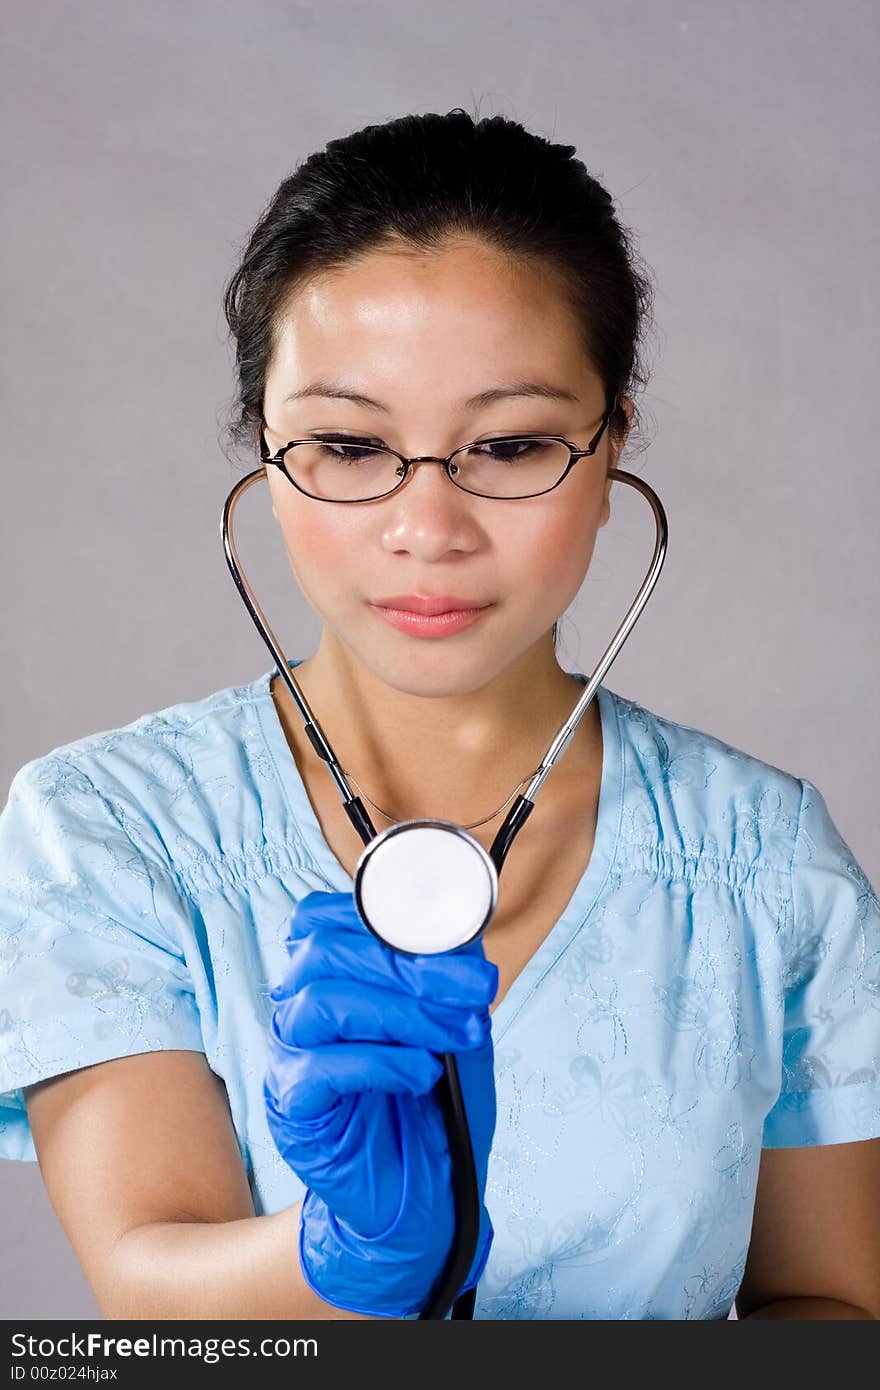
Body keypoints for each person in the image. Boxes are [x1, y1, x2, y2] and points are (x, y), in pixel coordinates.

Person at [1, 108, 878, 1322]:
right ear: (264, 448)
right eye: (349, 445)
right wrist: (351, 1253)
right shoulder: (106, 831)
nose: (428, 528)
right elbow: (151, 1293)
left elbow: (833, 1313)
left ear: (611, 446)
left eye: (511, 444)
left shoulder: (767, 862)